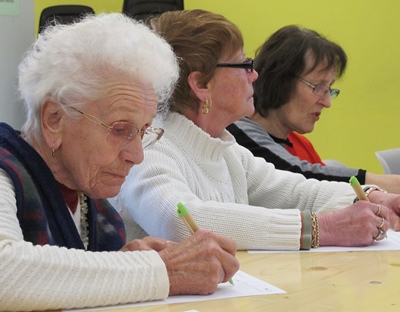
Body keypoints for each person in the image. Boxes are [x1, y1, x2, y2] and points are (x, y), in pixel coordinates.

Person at [0, 13, 239, 311]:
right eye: (120, 130)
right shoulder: (5, 167)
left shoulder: (98, 211)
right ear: (54, 120)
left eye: (143, 132)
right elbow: (5, 272)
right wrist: (163, 270)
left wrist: (124, 263)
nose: (137, 155)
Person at [111, 9, 400, 252]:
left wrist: (372, 197)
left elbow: (295, 190)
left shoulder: (226, 149)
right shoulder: (148, 145)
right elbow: (183, 220)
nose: (255, 74)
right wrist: (321, 229)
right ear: (201, 85)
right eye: (244, 64)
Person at [227, 25, 400, 193]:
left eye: (329, 89)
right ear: (280, 81)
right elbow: (302, 178)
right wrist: (383, 183)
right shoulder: (235, 136)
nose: (327, 102)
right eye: (318, 87)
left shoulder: (301, 145)